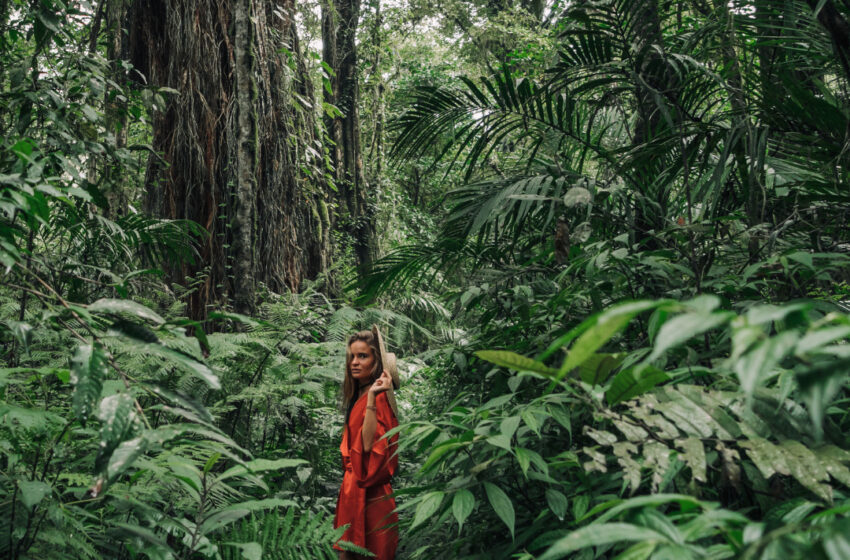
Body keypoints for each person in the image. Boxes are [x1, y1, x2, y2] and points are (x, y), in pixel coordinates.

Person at [333, 326, 400, 560]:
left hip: (371, 494)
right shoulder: (357, 394)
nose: (354, 362)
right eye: (352, 356)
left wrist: (372, 396)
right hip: (353, 491)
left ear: (376, 361)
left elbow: (370, 445)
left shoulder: (377, 397)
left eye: (363, 356)